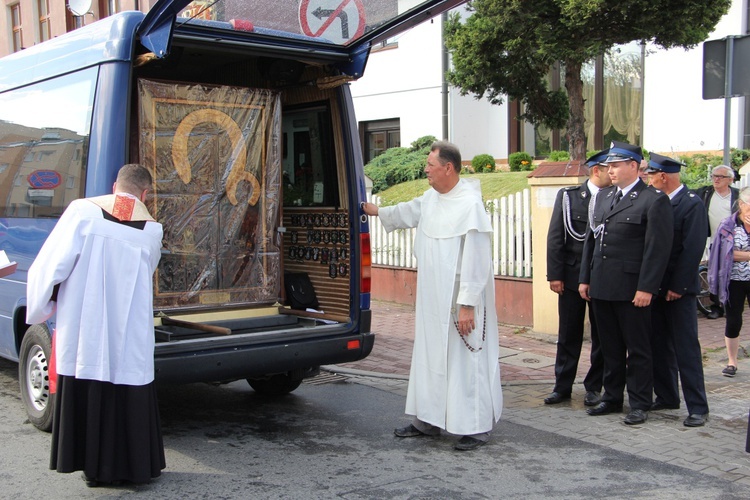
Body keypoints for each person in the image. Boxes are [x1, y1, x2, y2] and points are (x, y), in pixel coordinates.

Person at [26, 164, 165, 486]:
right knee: (127, 382)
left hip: (86, 323)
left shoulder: (82, 212)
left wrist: (40, 308)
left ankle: (92, 466)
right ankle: (133, 467)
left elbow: (50, 266)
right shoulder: (152, 229)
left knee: (90, 380)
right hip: (129, 327)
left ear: (114, 185)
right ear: (145, 194)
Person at [361, 140, 502, 451]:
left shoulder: (470, 205)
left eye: (430, 165)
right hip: (431, 299)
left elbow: (477, 262)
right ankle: (428, 420)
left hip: (459, 301)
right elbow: (407, 212)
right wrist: (375, 210)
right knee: (429, 357)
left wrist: (467, 304)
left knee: (466, 361)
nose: (425, 169)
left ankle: (475, 427)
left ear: (448, 168)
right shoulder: (430, 198)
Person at [579, 141, 673, 425]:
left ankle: (640, 402)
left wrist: (646, 287)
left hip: (633, 289)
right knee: (609, 347)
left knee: (638, 348)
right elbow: (593, 241)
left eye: (616, 165)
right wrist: (586, 278)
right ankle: (612, 397)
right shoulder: (606, 197)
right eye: (608, 166)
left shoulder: (653, 200)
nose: (610, 170)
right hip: (604, 285)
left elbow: (657, 250)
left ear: (634, 166)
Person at [645, 153, 709, 427]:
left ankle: (697, 407)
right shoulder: (658, 202)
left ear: (663, 176)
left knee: (686, 349)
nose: (648, 179)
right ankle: (668, 395)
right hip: (657, 288)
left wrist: (678, 286)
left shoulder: (691, 204)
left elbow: (692, 249)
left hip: (679, 289)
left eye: (651, 174)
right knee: (659, 345)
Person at [543, 149, 610, 407]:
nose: (613, 173)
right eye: (608, 168)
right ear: (596, 170)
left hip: (600, 277)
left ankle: (594, 387)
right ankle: (562, 387)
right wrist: (555, 275)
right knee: (568, 333)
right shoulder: (570, 197)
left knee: (601, 336)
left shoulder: (613, 198)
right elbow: (556, 236)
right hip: (571, 276)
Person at [708, 186, 750, 379]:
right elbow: (724, 253)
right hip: (733, 280)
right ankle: (732, 361)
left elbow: (734, 254)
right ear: (741, 205)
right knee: (734, 320)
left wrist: (741, 256)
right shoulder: (729, 225)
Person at [696, 165, 739, 319]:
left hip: (732, 242)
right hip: (713, 240)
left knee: (731, 275)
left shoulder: (737, 196)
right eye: (714, 176)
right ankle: (716, 307)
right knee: (714, 274)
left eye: (720, 176)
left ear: (730, 179)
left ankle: (731, 306)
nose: (716, 179)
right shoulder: (705, 193)